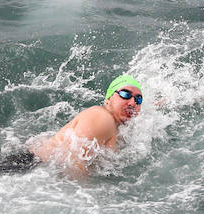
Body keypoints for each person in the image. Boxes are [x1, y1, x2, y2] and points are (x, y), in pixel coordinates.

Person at [12, 75, 144, 179]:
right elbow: (72, 162)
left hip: (36, 170)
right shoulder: (102, 118)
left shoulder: (118, 127)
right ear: (108, 99)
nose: (133, 103)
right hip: (26, 167)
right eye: (125, 94)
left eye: (138, 100)